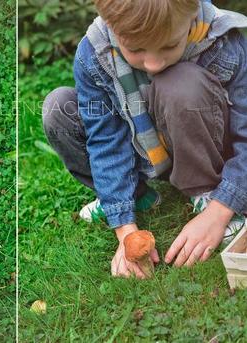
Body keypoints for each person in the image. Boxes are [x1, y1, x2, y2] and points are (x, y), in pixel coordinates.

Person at [42, 0, 247, 278]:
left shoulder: (222, 40)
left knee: (179, 84)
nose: (153, 63)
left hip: (202, 143)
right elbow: (105, 139)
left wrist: (220, 210)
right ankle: (135, 196)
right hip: (143, 150)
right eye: (135, 49)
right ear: (111, 25)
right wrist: (124, 229)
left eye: (169, 45)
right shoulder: (95, 52)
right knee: (58, 106)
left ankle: (205, 192)